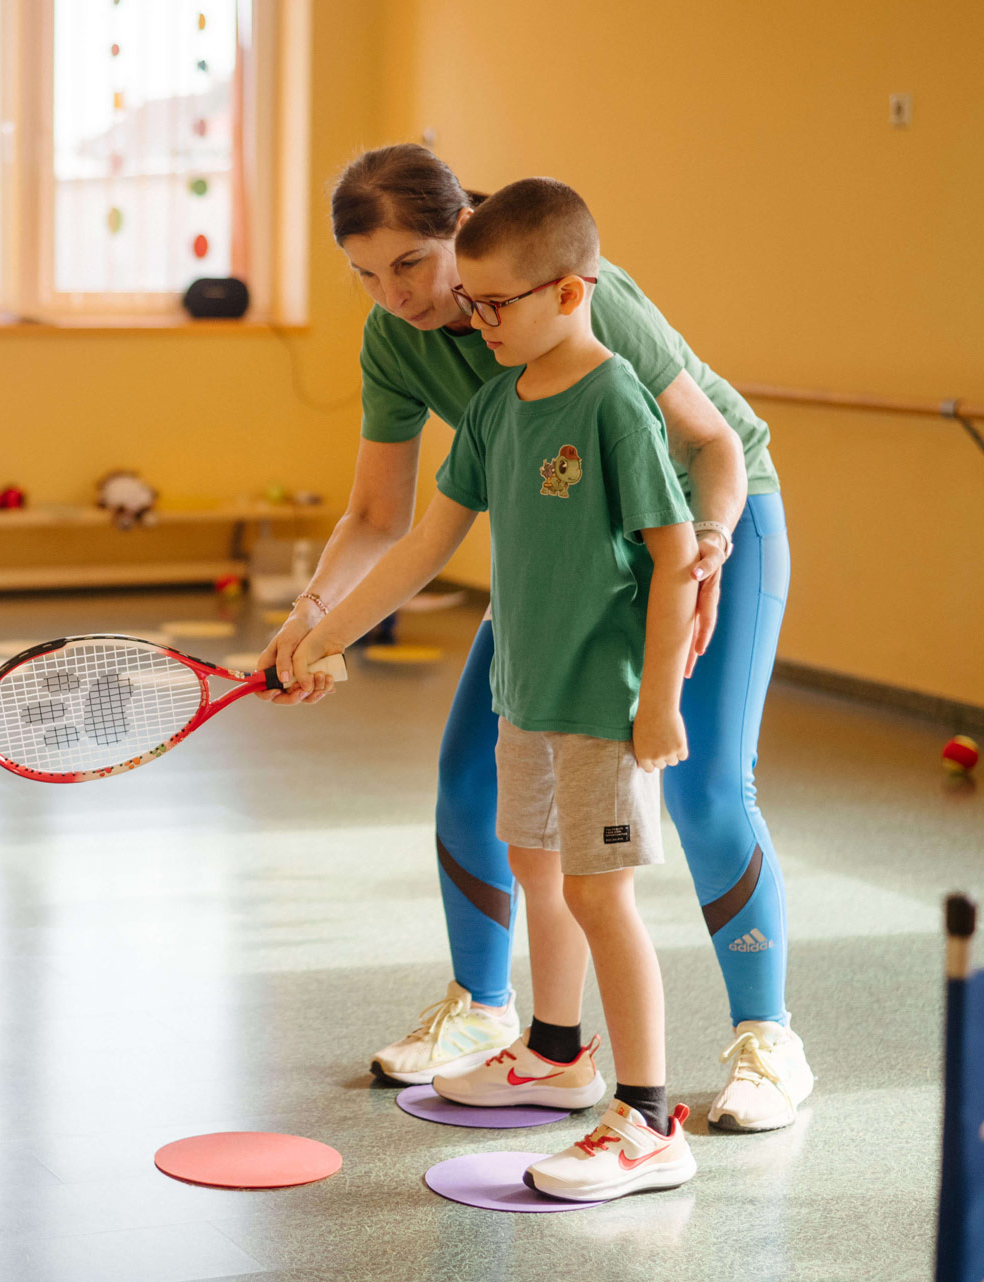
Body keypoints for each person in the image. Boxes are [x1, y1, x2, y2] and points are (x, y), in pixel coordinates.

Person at [260, 144, 810, 1133]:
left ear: (460, 233)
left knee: (705, 784)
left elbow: (712, 443)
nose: (395, 297)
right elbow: (391, 520)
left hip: (706, 523)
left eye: (413, 265)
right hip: (558, 552)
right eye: (364, 274)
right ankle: (499, 1020)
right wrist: (311, 626)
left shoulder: (565, 298)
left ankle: (767, 1037)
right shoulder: (399, 343)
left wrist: (709, 549)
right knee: (476, 778)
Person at [293, 178, 697, 1200]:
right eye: (469, 302)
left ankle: (649, 1119)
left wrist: (660, 698)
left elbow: (676, 551)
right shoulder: (490, 408)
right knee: (536, 862)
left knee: (604, 895)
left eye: (494, 305)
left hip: (604, 703)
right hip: (527, 693)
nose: (474, 322)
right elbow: (423, 543)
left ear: (570, 294)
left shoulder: (614, 401)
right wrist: (318, 634)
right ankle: (557, 1051)